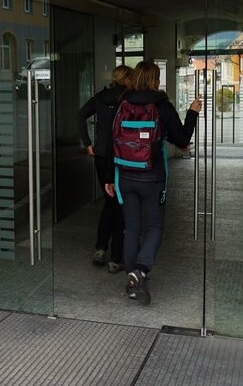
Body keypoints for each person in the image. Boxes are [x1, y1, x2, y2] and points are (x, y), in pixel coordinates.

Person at [105, 61, 200, 305]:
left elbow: (111, 140)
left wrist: (109, 177)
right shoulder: (162, 105)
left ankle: (133, 277)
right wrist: (193, 112)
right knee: (155, 228)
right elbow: (181, 139)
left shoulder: (123, 104)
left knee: (132, 228)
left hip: (124, 177)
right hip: (152, 178)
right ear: (156, 80)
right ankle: (141, 271)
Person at [75, 65, 133, 273]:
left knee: (110, 202)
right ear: (127, 80)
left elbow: (81, 115)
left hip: (101, 154)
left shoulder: (100, 97)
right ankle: (115, 258)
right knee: (119, 205)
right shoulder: (129, 99)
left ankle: (100, 248)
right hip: (121, 156)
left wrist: (87, 143)